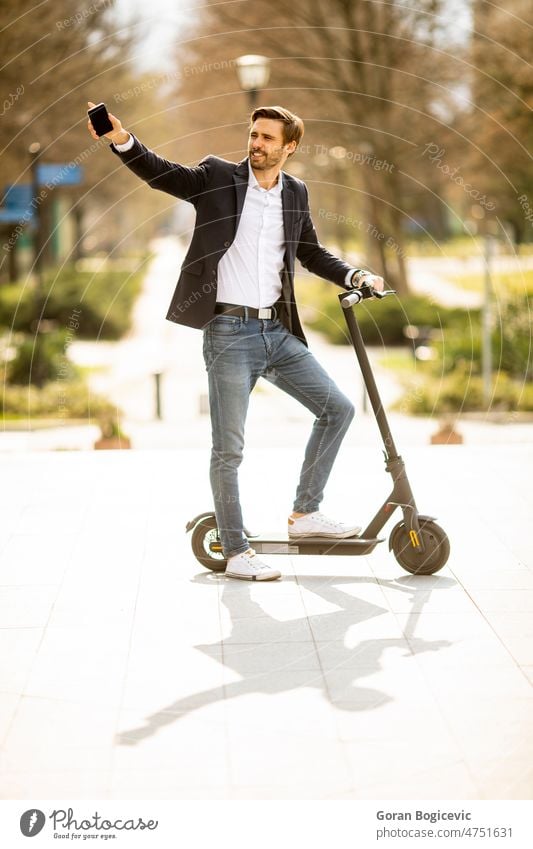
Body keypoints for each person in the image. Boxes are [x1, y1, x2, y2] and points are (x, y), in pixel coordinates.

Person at [87, 102, 385, 581]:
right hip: (228, 333)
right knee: (229, 449)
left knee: (339, 409)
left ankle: (305, 515)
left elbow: (309, 251)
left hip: (277, 332)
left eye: (268, 138)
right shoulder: (217, 177)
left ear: (290, 147)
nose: (257, 144)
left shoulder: (295, 192)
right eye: (254, 134)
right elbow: (162, 174)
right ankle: (236, 548)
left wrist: (353, 273)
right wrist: (121, 139)